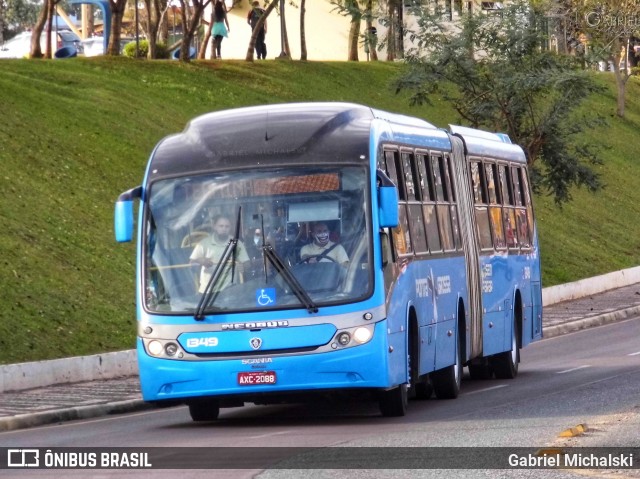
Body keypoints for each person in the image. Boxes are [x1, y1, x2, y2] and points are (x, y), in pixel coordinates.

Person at [190, 215, 249, 293]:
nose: (224, 229)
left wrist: (243, 266)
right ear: (215, 227)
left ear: (230, 228)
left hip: (230, 290)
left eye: (227, 226)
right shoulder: (204, 243)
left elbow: (247, 263)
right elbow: (191, 264)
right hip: (207, 291)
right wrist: (200, 261)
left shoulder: (236, 244)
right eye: (221, 226)